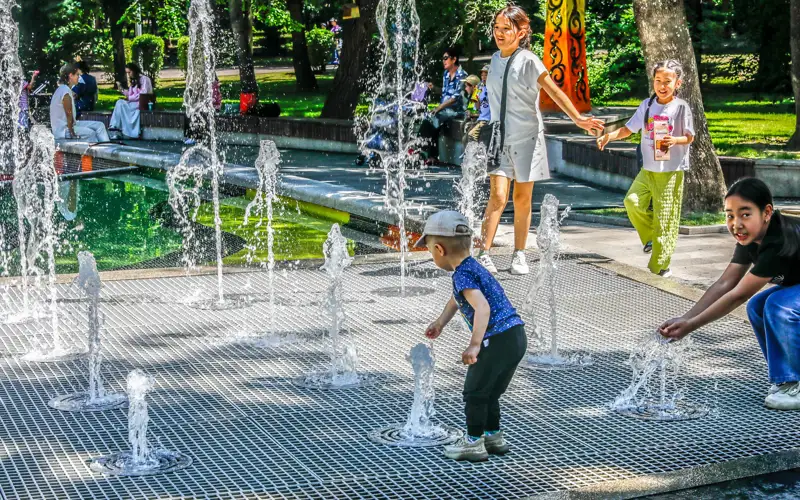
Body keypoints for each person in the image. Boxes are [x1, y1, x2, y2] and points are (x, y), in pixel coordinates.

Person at [478, 6, 604, 275]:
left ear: (521, 31)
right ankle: (483, 253)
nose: (499, 33)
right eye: (496, 27)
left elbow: (555, 92)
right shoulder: (495, 59)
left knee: (522, 198)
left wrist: (579, 119)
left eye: (505, 28)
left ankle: (519, 254)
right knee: (498, 196)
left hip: (527, 138)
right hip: (499, 137)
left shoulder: (529, 60)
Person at [659, 178, 800, 410]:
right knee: (757, 307)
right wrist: (686, 317)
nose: (736, 224)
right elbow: (726, 283)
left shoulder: (777, 241)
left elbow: (737, 295)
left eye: (745, 214)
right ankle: (786, 378)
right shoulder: (750, 241)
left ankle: (795, 382)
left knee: (778, 305)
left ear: (766, 212)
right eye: (729, 215)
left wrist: (691, 326)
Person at [416, 210, 527, 461]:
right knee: (489, 392)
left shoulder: (462, 274)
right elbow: (459, 298)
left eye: (430, 250)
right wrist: (440, 322)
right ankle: (493, 436)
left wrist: (475, 345)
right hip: (515, 337)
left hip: (495, 339)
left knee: (475, 393)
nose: (432, 255)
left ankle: (473, 443)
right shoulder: (472, 266)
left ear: (440, 250)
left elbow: (482, 308)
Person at [597, 59, 694, 277]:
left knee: (666, 219)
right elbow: (629, 129)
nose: (661, 85)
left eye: (667, 81)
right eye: (658, 80)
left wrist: (674, 140)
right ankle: (650, 236)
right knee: (631, 201)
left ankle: (658, 269)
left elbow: (690, 136)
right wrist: (609, 136)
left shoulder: (681, 108)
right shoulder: (647, 105)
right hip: (648, 169)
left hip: (670, 171)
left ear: (677, 83)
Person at [418, 47, 468, 162]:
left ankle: (421, 149)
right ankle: (431, 155)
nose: (443, 61)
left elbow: (455, 98)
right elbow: (445, 93)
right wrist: (434, 88)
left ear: (454, 59)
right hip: (445, 110)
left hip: (456, 110)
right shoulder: (446, 74)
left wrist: (439, 108)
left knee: (434, 117)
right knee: (430, 120)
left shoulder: (462, 75)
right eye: (443, 58)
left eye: (446, 58)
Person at [49, 63, 109, 142]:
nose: (79, 77)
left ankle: (108, 148)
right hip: (63, 130)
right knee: (91, 133)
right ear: (71, 75)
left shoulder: (64, 89)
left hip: (71, 125)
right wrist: (72, 131)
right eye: (77, 75)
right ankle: (96, 153)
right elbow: (68, 113)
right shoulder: (65, 91)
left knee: (100, 125)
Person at [109, 63, 153, 139]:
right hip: (133, 103)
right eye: (127, 73)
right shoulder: (134, 81)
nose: (129, 75)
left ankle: (115, 127)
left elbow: (142, 94)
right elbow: (129, 94)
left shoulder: (144, 79)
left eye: (129, 72)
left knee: (120, 103)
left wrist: (129, 98)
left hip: (141, 103)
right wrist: (121, 89)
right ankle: (115, 127)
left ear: (134, 70)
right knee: (120, 102)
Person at [184, 74, 221, 146]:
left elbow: (213, 100)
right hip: (211, 107)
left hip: (214, 108)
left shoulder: (214, 86)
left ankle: (197, 138)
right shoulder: (210, 85)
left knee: (197, 114)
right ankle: (191, 136)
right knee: (189, 113)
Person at [464, 68, 490, 144]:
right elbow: (478, 107)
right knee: (466, 129)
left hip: (486, 119)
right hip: (481, 118)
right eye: (482, 75)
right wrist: (476, 96)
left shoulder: (492, 89)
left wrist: (472, 114)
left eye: (486, 75)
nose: (483, 77)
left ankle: (475, 153)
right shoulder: (480, 89)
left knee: (471, 135)